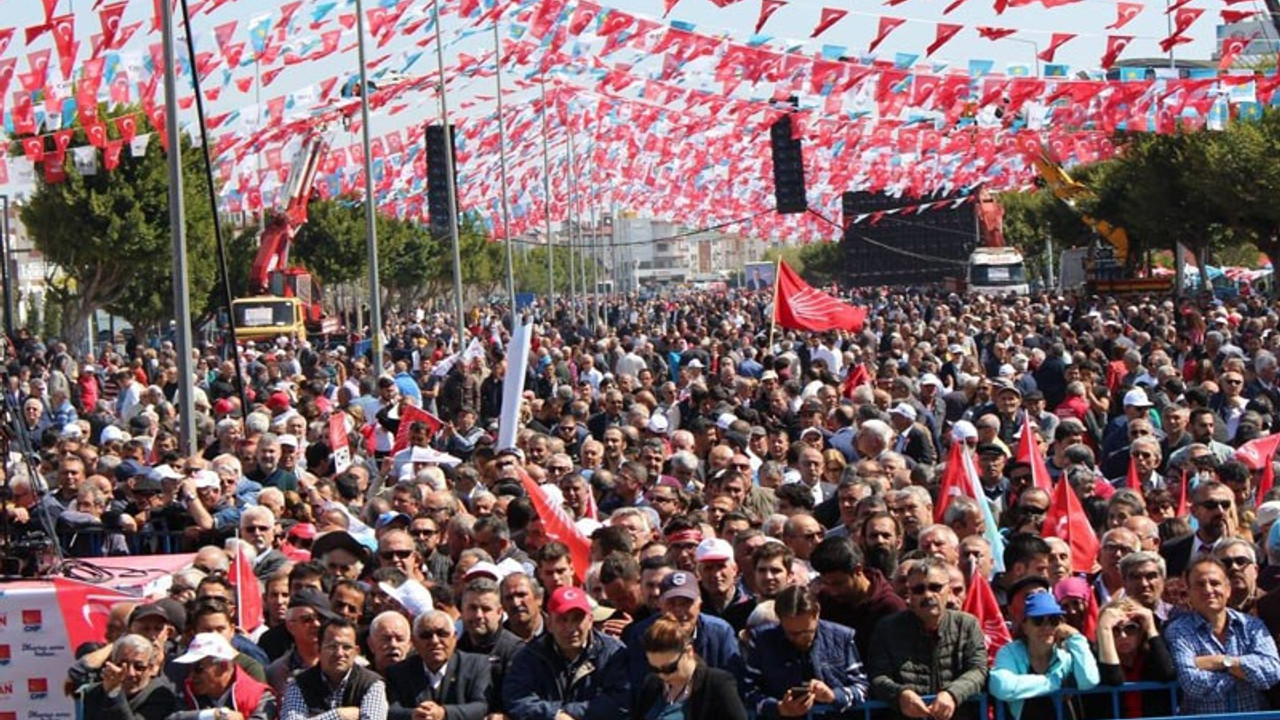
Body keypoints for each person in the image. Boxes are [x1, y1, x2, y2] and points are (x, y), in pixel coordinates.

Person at [867, 559, 989, 720]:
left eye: (935, 587)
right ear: (909, 595)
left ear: (948, 590)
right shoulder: (887, 628)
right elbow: (877, 676)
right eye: (919, 590)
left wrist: (952, 694)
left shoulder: (967, 625)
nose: (928, 595)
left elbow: (979, 670)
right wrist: (900, 694)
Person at [1165, 557, 1280, 714]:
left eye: (1215, 583)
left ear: (1228, 589)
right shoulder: (1178, 631)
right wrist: (1244, 676)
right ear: (1189, 591)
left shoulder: (1251, 625)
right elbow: (1191, 682)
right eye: (1200, 584)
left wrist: (1222, 662)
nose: (1208, 590)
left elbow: (1272, 672)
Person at [503, 586, 630, 720]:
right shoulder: (530, 655)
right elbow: (516, 698)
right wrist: (554, 715)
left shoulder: (613, 652)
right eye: (563, 619)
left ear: (590, 620)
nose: (571, 628)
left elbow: (621, 700)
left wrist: (570, 712)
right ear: (549, 623)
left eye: (578, 618)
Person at [742, 585, 868, 719]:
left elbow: (861, 688)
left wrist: (833, 696)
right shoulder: (761, 641)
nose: (800, 639)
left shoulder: (842, 638)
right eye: (792, 633)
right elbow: (748, 691)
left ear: (817, 613)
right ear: (779, 619)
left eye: (807, 632)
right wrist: (779, 707)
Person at [989, 592, 1099, 720]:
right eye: (1038, 620)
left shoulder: (1066, 655)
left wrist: (1076, 638)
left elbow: (1089, 681)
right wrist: (1054, 682)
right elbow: (1003, 687)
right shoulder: (1009, 652)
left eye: (1053, 620)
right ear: (1024, 626)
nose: (1046, 627)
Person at [634, 614, 748, 720]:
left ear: (688, 652)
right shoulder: (652, 683)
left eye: (670, 668)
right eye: (656, 669)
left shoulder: (717, 683)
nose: (663, 675)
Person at [386, 609, 491, 720]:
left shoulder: (476, 665)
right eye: (426, 635)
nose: (435, 641)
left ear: (454, 638)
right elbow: (391, 710)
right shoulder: (399, 672)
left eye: (442, 634)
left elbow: (481, 706)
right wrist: (414, 715)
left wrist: (443, 713)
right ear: (414, 642)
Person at [280, 618, 389, 720]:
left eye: (346, 647)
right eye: (332, 646)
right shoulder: (299, 684)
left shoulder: (371, 684)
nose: (339, 653)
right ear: (318, 649)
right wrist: (338, 715)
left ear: (356, 652)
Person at [1092, 598, 1176, 718]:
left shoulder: (1151, 655)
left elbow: (1167, 673)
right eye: (1115, 630)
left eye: (1130, 628)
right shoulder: (1097, 658)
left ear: (1141, 631)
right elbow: (1114, 679)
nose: (1123, 635)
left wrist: (1150, 627)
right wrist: (1104, 628)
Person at [169, 632, 278, 720]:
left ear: (223, 665)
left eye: (198, 669)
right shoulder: (188, 692)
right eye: (189, 668)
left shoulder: (260, 696)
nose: (191, 676)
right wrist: (215, 715)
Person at [82, 633, 177, 720]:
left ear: (151, 668)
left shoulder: (160, 696)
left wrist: (115, 693)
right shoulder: (93, 693)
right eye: (122, 665)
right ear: (112, 663)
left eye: (139, 667)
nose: (130, 673)